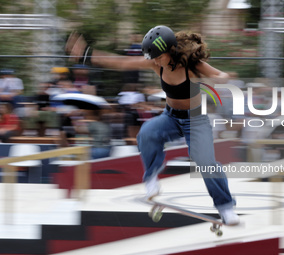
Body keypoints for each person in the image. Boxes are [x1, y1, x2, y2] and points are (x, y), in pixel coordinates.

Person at [65, 25, 239, 225]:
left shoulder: (192, 63)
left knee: (206, 163)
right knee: (146, 133)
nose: (155, 61)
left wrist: (222, 79)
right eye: (152, 57)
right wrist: (86, 55)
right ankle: (152, 178)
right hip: (171, 117)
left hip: (196, 121)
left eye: (158, 56)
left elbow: (219, 75)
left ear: (170, 50)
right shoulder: (156, 64)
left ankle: (226, 207)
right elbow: (122, 63)